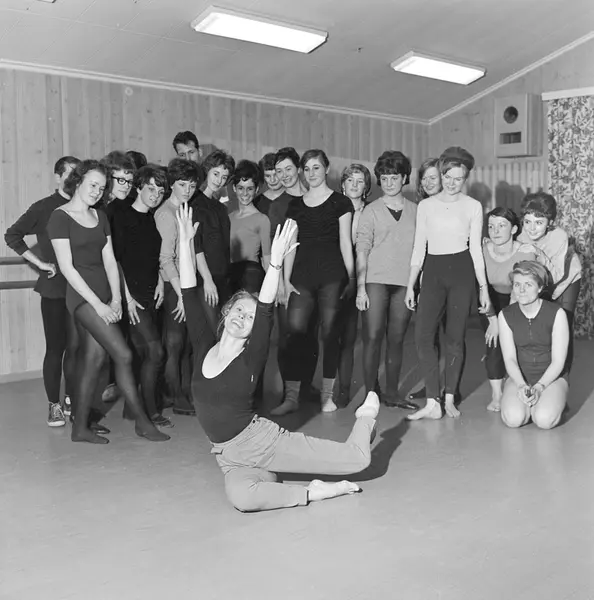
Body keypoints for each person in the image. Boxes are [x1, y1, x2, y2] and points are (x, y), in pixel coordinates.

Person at [177, 203, 379, 512]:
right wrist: (184, 242)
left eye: (249, 317)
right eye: (238, 310)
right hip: (229, 458)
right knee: (243, 499)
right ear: (226, 312)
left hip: (265, 444)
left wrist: (274, 266)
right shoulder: (205, 345)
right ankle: (310, 492)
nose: (242, 317)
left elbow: (266, 308)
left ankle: (366, 418)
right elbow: (189, 293)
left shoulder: (251, 358)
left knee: (358, 459)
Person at [47, 160, 169, 444]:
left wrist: (116, 299)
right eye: (92, 185)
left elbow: (111, 261)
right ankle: (142, 422)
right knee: (123, 354)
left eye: (102, 188)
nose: (96, 192)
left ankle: (80, 428)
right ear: (78, 182)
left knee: (96, 358)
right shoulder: (60, 217)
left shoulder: (100, 216)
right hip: (82, 298)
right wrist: (99, 305)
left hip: (105, 295)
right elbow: (67, 269)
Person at [405, 147, 490, 420]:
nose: (452, 183)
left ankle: (450, 397)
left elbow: (475, 250)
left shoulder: (473, 206)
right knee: (423, 336)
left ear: (465, 179)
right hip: (433, 272)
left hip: (462, 272)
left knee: (454, 338)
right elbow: (419, 247)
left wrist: (483, 288)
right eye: (448, 177)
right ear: (441, 175)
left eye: (458, 178)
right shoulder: (426, 206)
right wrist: (411, 285)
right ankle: (432, 401)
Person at [272, 149, 355, 415]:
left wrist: (351, 277)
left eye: (316, 168)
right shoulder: (295, 206)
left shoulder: (341, 202)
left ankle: (327, 397)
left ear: (327, 169)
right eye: (306, 169)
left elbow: (345, 242)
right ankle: (291, 398)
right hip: (302, 277)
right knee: (295, 333)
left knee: (330, 334)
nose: (311, 173)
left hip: (332, 276)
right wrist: (285, 280)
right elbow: (290, 245)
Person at [4, 156, 81, 426]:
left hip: (81, 289)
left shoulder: (86, 206)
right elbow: (12, 235)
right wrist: (39, 263)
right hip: (54, 290)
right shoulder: (44, 207)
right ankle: (54, 404)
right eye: (70, 174)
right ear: (58, 177)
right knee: (56, 348)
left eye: (79, 175)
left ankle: (71, 398)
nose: (74, 180)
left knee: (77, 348)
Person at [356, 152, 418, 410]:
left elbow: (420, 250)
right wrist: (361, 287)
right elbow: (362, 249)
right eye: (384, 178)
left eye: (394, 177)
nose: (389, 183)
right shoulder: (371, 211)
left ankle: (392, 393)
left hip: (404, 283)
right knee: (372, 338)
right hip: (375, 281)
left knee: (396, 339)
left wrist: (415, 285)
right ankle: (371, 394)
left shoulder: (416, 211)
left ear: (404, 178)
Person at [112, 164, 172, 427]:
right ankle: (148, 413)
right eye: (151, 188)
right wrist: (126, 298)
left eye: (160, 191)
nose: (155, 195)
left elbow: (152, 257)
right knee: (155, 352)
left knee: (144, 355)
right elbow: (115, 261)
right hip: (132, 296)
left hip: (150, 294)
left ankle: (133, 409)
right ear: (138, 187)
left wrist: (159, 280)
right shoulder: (122, 216)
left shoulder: (151, 218)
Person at [268, 147, 319, 405]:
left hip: (314, 277)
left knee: (310, 335)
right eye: (279, 171)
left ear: (298, 169)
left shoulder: (315, 197)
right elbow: (274, 248)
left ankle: (306, 388)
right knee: (288, 336)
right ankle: (289, 394)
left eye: (288, 169)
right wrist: (279, 283)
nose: (284, 175)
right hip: (287, 279)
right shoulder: (278, 206)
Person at [154, 158, 201, 416]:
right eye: (182, 184)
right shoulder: (166, 213)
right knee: (174, 344)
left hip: (187, 285)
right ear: (172, 184)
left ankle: (183, 393)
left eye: (192, 185)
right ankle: (176, 397)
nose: (188, 190)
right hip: (175, 286)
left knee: (185, 345)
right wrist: (182, 292)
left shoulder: (184, 210)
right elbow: (165, 259)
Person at [499, 261, 569, 429]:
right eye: (517, 284)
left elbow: (558, 362)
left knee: (544, 420)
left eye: (528, 284)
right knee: (513, 419)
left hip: (551, 378)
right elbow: (509, 359)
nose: (521, 290)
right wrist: (521, 385)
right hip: (519, 377)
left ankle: (550, 400)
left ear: (540, 288)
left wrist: (539, 387)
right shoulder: (506, 315)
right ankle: (526, 403)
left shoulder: (557, 314)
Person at [481, 207, 536, 412]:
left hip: (520, 299)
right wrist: (493, 320)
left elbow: (520, 292)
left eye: (502, 226)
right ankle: (497, 395)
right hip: (489, 299)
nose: (495, 231)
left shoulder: (525, 252)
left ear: (513, 229)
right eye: (491, 226)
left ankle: (527, 387)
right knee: (493, 342)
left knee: (517, 341)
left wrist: (503, 322)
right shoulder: (482, 249)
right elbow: (480, 288)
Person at [336, 163, 372, 406]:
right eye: (350, 180)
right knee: (345, 338)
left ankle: (373, 390)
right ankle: (343, 390)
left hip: (369, 277)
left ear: (366, 186)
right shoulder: (334, 209)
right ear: (343, 185)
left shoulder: (372, 211)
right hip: (340, 278)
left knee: (372, 337)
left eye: (360, 181)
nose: (355, 185)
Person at [408, 157, 443, 402]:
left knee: (451, 338)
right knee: (428, 336)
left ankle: (450, 389)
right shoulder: (422, 206)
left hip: (450, 276)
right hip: (426, 276)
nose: (428, 182)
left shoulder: (457, 206)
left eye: (433, 177)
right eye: (424, 178)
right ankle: (433, 386)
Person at [189, 149, 234, 333]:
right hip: (204, 279)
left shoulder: (220, 207)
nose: (219, 180)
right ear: (207, 171)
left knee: (225, 330)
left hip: (222, 277)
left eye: (224, 177)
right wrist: (207, 280)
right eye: (216, 174)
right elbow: (196, 246)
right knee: (216, 330)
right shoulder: (194, 203)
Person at [228, 160, 271, 295]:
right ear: (234, 188)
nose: (245, 193)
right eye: (241, 188)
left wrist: (273, 288)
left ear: (256, 189)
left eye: (250, 188)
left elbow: (267, 259)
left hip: (251, 274)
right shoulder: (229, 217)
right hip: (230, 274)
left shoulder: (262, 219)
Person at [253, 152, 285, 216]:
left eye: (276, 174)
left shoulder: (296, 198)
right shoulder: (256, 203)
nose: (272, 180)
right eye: (268, 176)